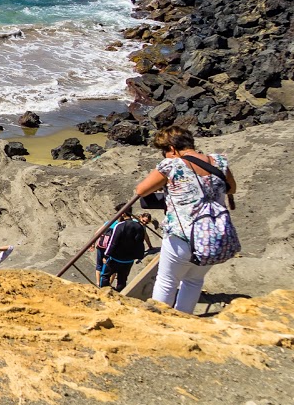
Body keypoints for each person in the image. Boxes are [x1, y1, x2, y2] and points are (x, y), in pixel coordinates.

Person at [133, 126, 236, 314]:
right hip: (214, 236)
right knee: (194, 280)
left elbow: (140, 190)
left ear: (172, 149)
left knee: (166, 281)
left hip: (183, 236)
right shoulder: (219, 161)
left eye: (164, 152)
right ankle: (182, 319)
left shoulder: (171, 165)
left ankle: (159, 322)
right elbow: (232, 188)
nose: (164, 156)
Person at [96, 206, 150, 291]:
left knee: (105, 276)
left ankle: (104, 295)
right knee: (122, 280)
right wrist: (137, 256)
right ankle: (119, 296)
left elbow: (113, 243)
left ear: (123, 213)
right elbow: (140, 243)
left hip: (115, 258)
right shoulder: (139, 227)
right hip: (129, 260)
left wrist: (106, 255)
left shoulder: (120, 226)